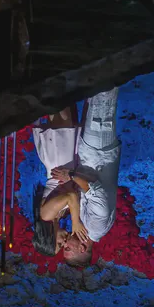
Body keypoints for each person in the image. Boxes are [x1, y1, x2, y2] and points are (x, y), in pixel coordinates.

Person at [51, 87, 122, 268]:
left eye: (63, 247)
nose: (65, 244)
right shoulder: (96, 226)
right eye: (68, 249)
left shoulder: (84, 226)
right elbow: (94, 188)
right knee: (103, 97)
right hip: (98, 151)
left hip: (91, 152)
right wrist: (71, 176)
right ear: (82, 248)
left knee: (93, 97)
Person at [31, 106, 88, 255]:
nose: (64, 242)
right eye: (63, 246)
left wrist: (76, 222)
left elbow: (71, 196)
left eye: (58, 244)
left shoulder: (47, 215)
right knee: (66, 112)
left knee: (62, 112)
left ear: (48, 238)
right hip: (66, 163)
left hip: (60, 160)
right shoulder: (56, 216)